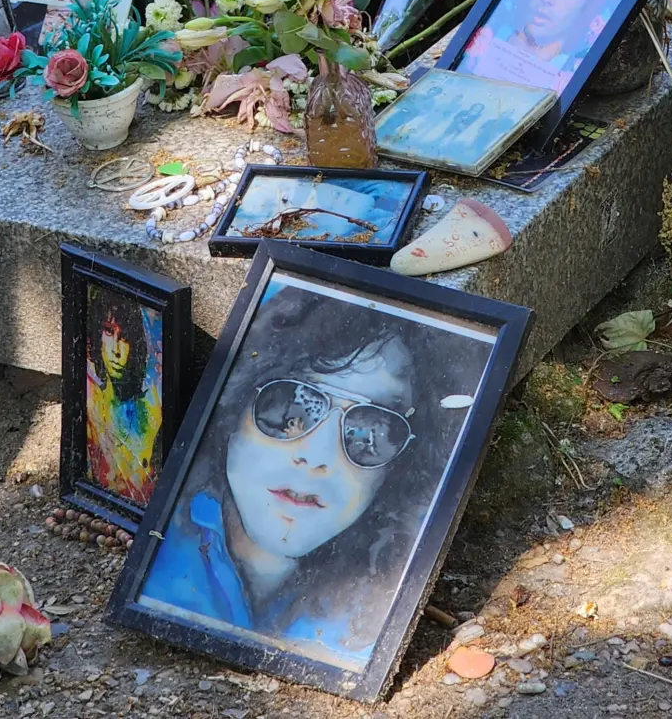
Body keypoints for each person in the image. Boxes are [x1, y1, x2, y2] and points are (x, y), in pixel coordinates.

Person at [139, 285, 487, 665]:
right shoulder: (161, 549)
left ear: (398, 469)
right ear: (233, 408)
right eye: (290, 407)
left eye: (372, 432)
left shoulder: (371, 609)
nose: (316, 456)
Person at [86, 291, 161, 506]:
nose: (117, 351)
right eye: (109, 332)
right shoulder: (91, 405)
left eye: (125, 339)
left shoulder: (152, 411)